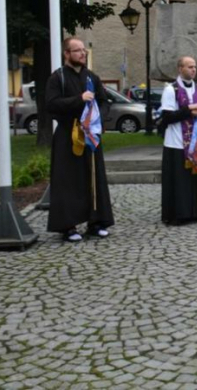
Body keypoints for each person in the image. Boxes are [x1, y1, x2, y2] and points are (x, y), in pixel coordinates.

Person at [45, 37, 113, 242]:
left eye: (84, 50)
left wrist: (96, 118)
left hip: (90, 134)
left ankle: (96, 222)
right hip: (68, 134)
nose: (83, 54)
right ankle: (68, 226)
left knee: (94, 176)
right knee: (68, 181)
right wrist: (78, 100)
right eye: (77, 51)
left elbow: (103, 101)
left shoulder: (92, 77)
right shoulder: (57, 78)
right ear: (66, 53)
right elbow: (51, 104)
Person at [159, 56, 197, 225]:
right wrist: (188, 110)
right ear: (180, 69)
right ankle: (178, 214)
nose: (193, 69)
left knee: (196, 177)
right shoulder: (171, 89)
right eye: (189, 67)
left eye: (195, 67)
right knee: (180, 179)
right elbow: (167, 116)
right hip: (177, 142)